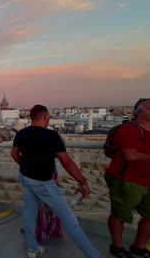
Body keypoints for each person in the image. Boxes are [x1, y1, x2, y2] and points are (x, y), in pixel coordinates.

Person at [11, 105, 102, 258]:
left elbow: (14, 154)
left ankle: (32, 249)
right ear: (45, 117)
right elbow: (67, 162)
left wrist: (26, 166)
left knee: (29, 211)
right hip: (43, 183)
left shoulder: (22, 133)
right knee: (70, 220)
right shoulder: (52, 136)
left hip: (25, 177)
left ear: (31, 117)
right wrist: (83, 182)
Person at [105, 98, 150, 258]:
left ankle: (139, 246)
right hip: (126, 180)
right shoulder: (129, 129)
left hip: (146, 180)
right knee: (119, 214)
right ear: (138, 111)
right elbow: (129, 155)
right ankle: (117, 247)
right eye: (149, 108)